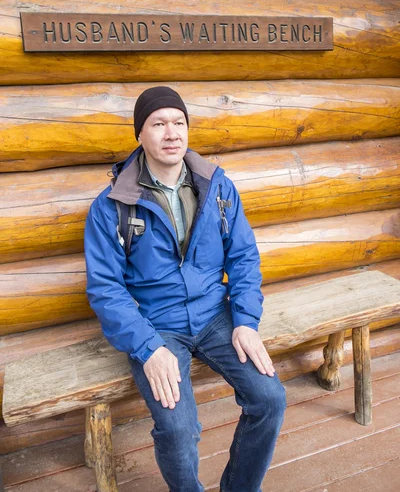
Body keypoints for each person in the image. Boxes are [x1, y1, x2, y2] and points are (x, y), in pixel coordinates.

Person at [84, 86, 286, 492]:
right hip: (156, 328)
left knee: (269, 398)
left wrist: (245, 320)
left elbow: (243, 257)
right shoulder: (112, 206)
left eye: (179, 122)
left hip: (216, 316)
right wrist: (149, 348)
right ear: (140, 134)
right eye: (158, 124)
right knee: (178, 428)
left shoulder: (217, 188)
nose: (171, 132)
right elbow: (106, 289)